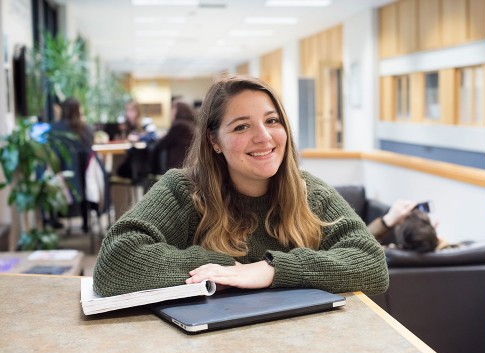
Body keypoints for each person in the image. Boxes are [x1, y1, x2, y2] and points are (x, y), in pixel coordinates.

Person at [93, 75, 389, 297]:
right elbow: (114, 262)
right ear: (214, 141)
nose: (264, 137)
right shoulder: (183, 189)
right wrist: (226, 269)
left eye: (272, 121)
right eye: (241, 126)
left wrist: (272, 269)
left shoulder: (310, 192)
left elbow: (371, 262)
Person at [50, 97, 95, 231]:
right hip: (85, 177)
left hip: (61, 175)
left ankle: (53, 219)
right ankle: (86, 223)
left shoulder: (55, 128)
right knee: (84, 179)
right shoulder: (86, 129)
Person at [151, 100, 196, 173]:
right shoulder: (191, 124)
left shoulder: (179, 125)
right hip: (188, 162)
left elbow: (162, 143)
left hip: (178, 163)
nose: (171, 113)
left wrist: (161, 137)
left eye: (172, 110)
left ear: (179, 111)